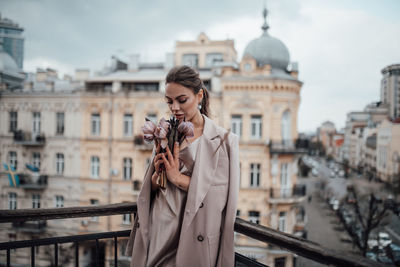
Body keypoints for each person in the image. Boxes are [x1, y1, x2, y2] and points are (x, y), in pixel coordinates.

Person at [126, 65, 239, 267]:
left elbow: (221, 198)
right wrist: (154, 182)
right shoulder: (165, 132)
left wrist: (177, 178)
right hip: (160, 229)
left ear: (199, 96)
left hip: (196, 233)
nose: (174, 108)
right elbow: (152, 187)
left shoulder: (224, 140)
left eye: (182, 100)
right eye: (169, 101)